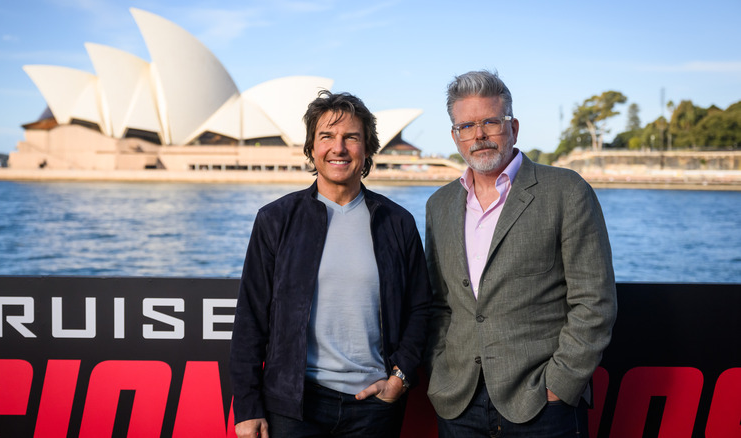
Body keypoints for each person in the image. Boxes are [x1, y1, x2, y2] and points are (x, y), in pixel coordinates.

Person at [424, 70, 617, 437]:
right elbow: (440, 303)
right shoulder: (440, 205)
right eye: (466, 126)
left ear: (513, 127)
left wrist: (560, 384)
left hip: (541, 404)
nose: (478, 135)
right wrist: (439, 373)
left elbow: (595, 301)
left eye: (490, 122)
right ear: (455, 137)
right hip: (458, 403)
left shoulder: (566, 191)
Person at [230, 90, 432, 438]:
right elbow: (250, 318)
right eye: (326, 136)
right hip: (294, 407)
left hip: (374, 408)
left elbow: (421, 308)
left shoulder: (396, 222)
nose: (338, 147)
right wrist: (247, 407)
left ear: (366, 149)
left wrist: (399, 380)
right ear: (311, 148)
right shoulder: (276, 220)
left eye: (351, 137)